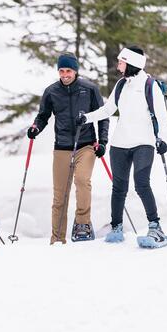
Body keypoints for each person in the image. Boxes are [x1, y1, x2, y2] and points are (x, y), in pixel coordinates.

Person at [77, 46, 167, 244]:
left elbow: (162, 117)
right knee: (119, 187)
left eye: (121, 61)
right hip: (119, 144)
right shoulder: (121, 85)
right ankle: (116, 227)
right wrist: (86, 118)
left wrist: (163, 139)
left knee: (141, 184)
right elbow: (108, 109)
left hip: (143, 143)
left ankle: (155, 227)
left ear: (132, 63)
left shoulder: (149, 85)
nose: (118, 65)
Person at [27, 52, 109, 244]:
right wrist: (35, 128)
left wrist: (102, 142)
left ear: (76, 71)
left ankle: (82, 225)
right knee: (60, 194)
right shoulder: (51, 91)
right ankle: (57, 238)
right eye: (61, 71)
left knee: (82, 180)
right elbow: (43, 116)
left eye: (68, 71)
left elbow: (103, 116)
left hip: (86, 145)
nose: (65, 74)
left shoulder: (89, 89)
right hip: (62, 146)